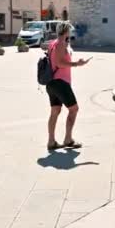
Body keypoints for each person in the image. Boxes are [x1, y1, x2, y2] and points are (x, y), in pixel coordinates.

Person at [45, 22, 91, 151]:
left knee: (55, 111)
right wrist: (77, 64)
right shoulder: (60, 44)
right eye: (70, 31)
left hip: (52, 83)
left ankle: (51, 141)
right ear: (66, 31)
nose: (70, 33)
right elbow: (59, 63)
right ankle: (68, 139)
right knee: (74, 109)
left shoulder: (53, 43)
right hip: (60, 82)